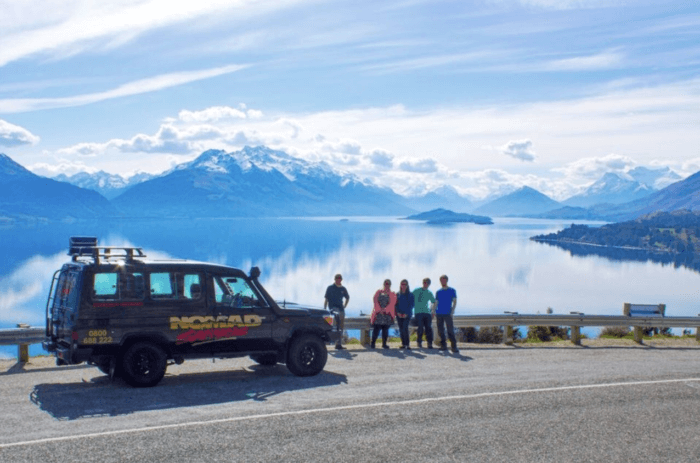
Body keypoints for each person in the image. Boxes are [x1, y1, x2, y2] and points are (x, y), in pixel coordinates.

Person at [324, 273, 350, 350]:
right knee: (333, 325)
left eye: (339, 279)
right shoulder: (330, 288)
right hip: (333, 309)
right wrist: (325, 309)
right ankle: (328, 342)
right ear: (335, 279)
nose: (338, 280)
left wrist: (345, 305)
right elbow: (326, 299)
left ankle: (338, 344)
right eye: (337, 279)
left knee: (341, 327)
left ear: (341, 280)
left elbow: (348, 298)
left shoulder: (343, 289)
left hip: (341, 309)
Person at [434, 274, 458, 353]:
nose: (442, 282)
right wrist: (433, 311)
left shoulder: (452, 290)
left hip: (448, 313)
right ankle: (443, 346)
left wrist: (452, 311)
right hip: (439, 313)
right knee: (440, 330)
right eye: (441, 280)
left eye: (444, 280)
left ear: (447, 280)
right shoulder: (438, 292)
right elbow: (436, 303)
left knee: (450, 330)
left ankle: (454, 347)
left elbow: (455, 301)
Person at [370, 279, 396, 349]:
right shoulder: (378, 292)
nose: (387, 285)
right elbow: (375, 301)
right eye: (386, 283)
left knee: (385, 330)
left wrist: (385, 310)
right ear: (383, 284)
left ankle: (384, 344)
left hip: (387, 315)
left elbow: (392, 303)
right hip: (378, 314)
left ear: (390, 285)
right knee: (376, 329)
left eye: (388, 284)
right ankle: (373, 343)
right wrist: (379, 309)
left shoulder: (392, 293)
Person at [412, 278, 436, 349]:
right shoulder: (416, 291)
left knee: (429, 328)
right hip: (418, 312)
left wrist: (433, 311)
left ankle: (429, 343)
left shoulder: (429, 292)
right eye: (425, 282)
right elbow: (410, 298)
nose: (426, 284)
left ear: (429, 284)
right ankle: (419, 342)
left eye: (428, 283)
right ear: (423, 282)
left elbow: (434, 302)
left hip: (427, 313)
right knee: (420, 328)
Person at [395, 279, 414, 349]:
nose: (403, 286)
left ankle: (407, 344)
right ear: (400, 285)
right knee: (401, 329)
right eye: (402, 284)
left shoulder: (410, 294)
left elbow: (412, 305)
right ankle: (403, 344)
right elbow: (395, 305)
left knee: (405, 328)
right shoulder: (397, 294)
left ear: (407, 285)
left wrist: (406, 314)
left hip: (407, 315)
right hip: (399, 315)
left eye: (405, 284)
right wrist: (398, 313)